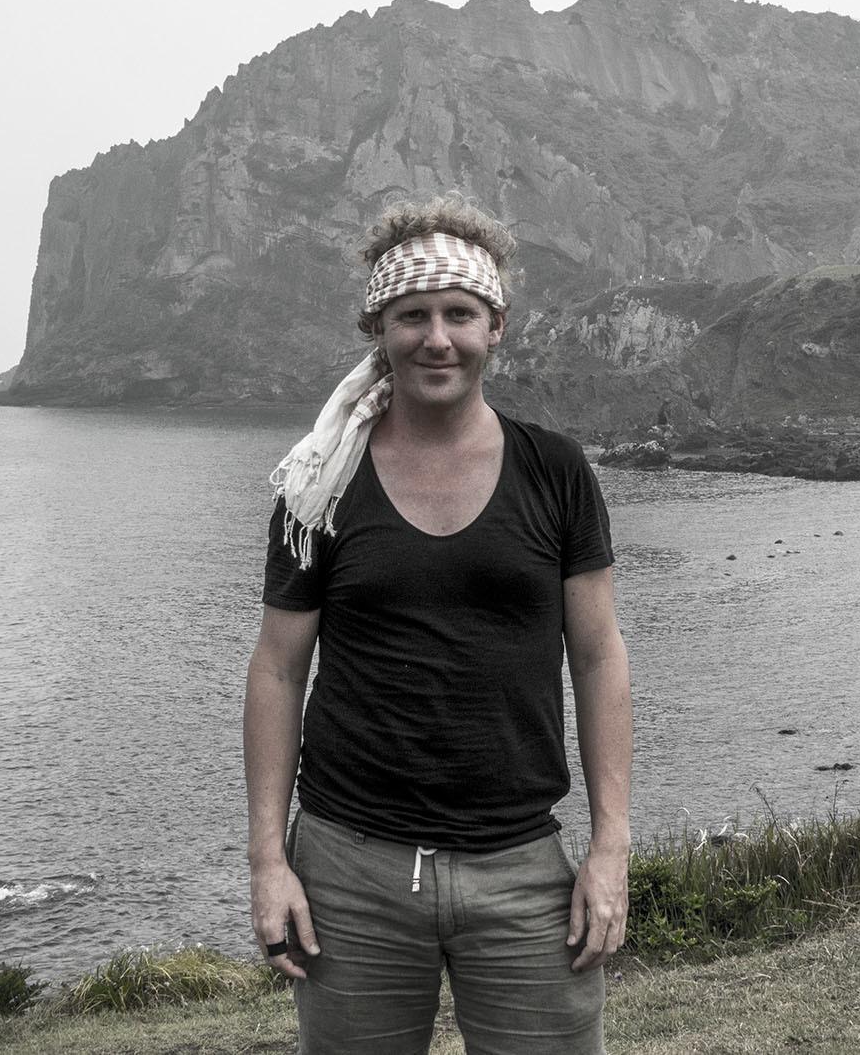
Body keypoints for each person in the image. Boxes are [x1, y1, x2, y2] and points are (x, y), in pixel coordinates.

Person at [243, 196, 633, 1055]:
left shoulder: (556, 472)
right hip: (350, 867)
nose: (437, 337)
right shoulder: (319, 486)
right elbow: (277, 668)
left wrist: (610, 847)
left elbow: (599, 655)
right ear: (378, 328)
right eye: (411, 315)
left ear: (497, 327)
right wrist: (270, 861)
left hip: (522, 866)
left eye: (460, 313)